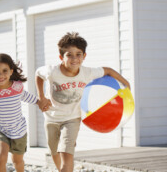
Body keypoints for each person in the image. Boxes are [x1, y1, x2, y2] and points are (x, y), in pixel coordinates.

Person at [35, 32, 130, 172]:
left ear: (84, 56)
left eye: (78, 54)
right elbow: (38, 74)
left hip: (72, 118)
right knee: (54, 150)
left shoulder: (87, 72)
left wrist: (126, 83)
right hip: (51, 118)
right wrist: (41, 97)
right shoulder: (52, 71)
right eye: (69, 55)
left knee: (66, 152)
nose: (74, 59)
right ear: (61, 57)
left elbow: (109, 71)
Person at [0, 53, 48, 172]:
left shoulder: (17, 88)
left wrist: (40, 103)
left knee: (17, 161)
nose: (0, 75)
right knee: (1, 157)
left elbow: (28, 97)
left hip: (19, 131)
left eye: (5, 70)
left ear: (11, 71)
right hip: (0, 130)